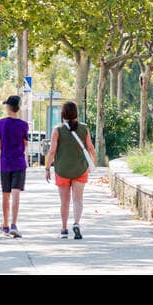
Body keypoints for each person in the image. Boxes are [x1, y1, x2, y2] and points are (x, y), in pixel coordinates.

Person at [45, 100, 95, 239]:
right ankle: (77, 223)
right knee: (78, 199)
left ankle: (64, 229)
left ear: (63, 114)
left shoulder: (58, 130)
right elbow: (90, 147)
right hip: (80, 169)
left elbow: (52, 150)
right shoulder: (84, 128)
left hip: (62, 170)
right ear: (76, 114)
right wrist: (93, 163)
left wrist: (48, 168)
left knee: (64, 201)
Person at [0, 95, 29, 238]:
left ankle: (6, 224)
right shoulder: (23, 125)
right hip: (19, 162)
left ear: (8, 107)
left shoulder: (1, 123)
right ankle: (14, 224)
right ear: (19, 108)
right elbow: (25, 143)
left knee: (5, 195)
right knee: (16, 195)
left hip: (5, 163)